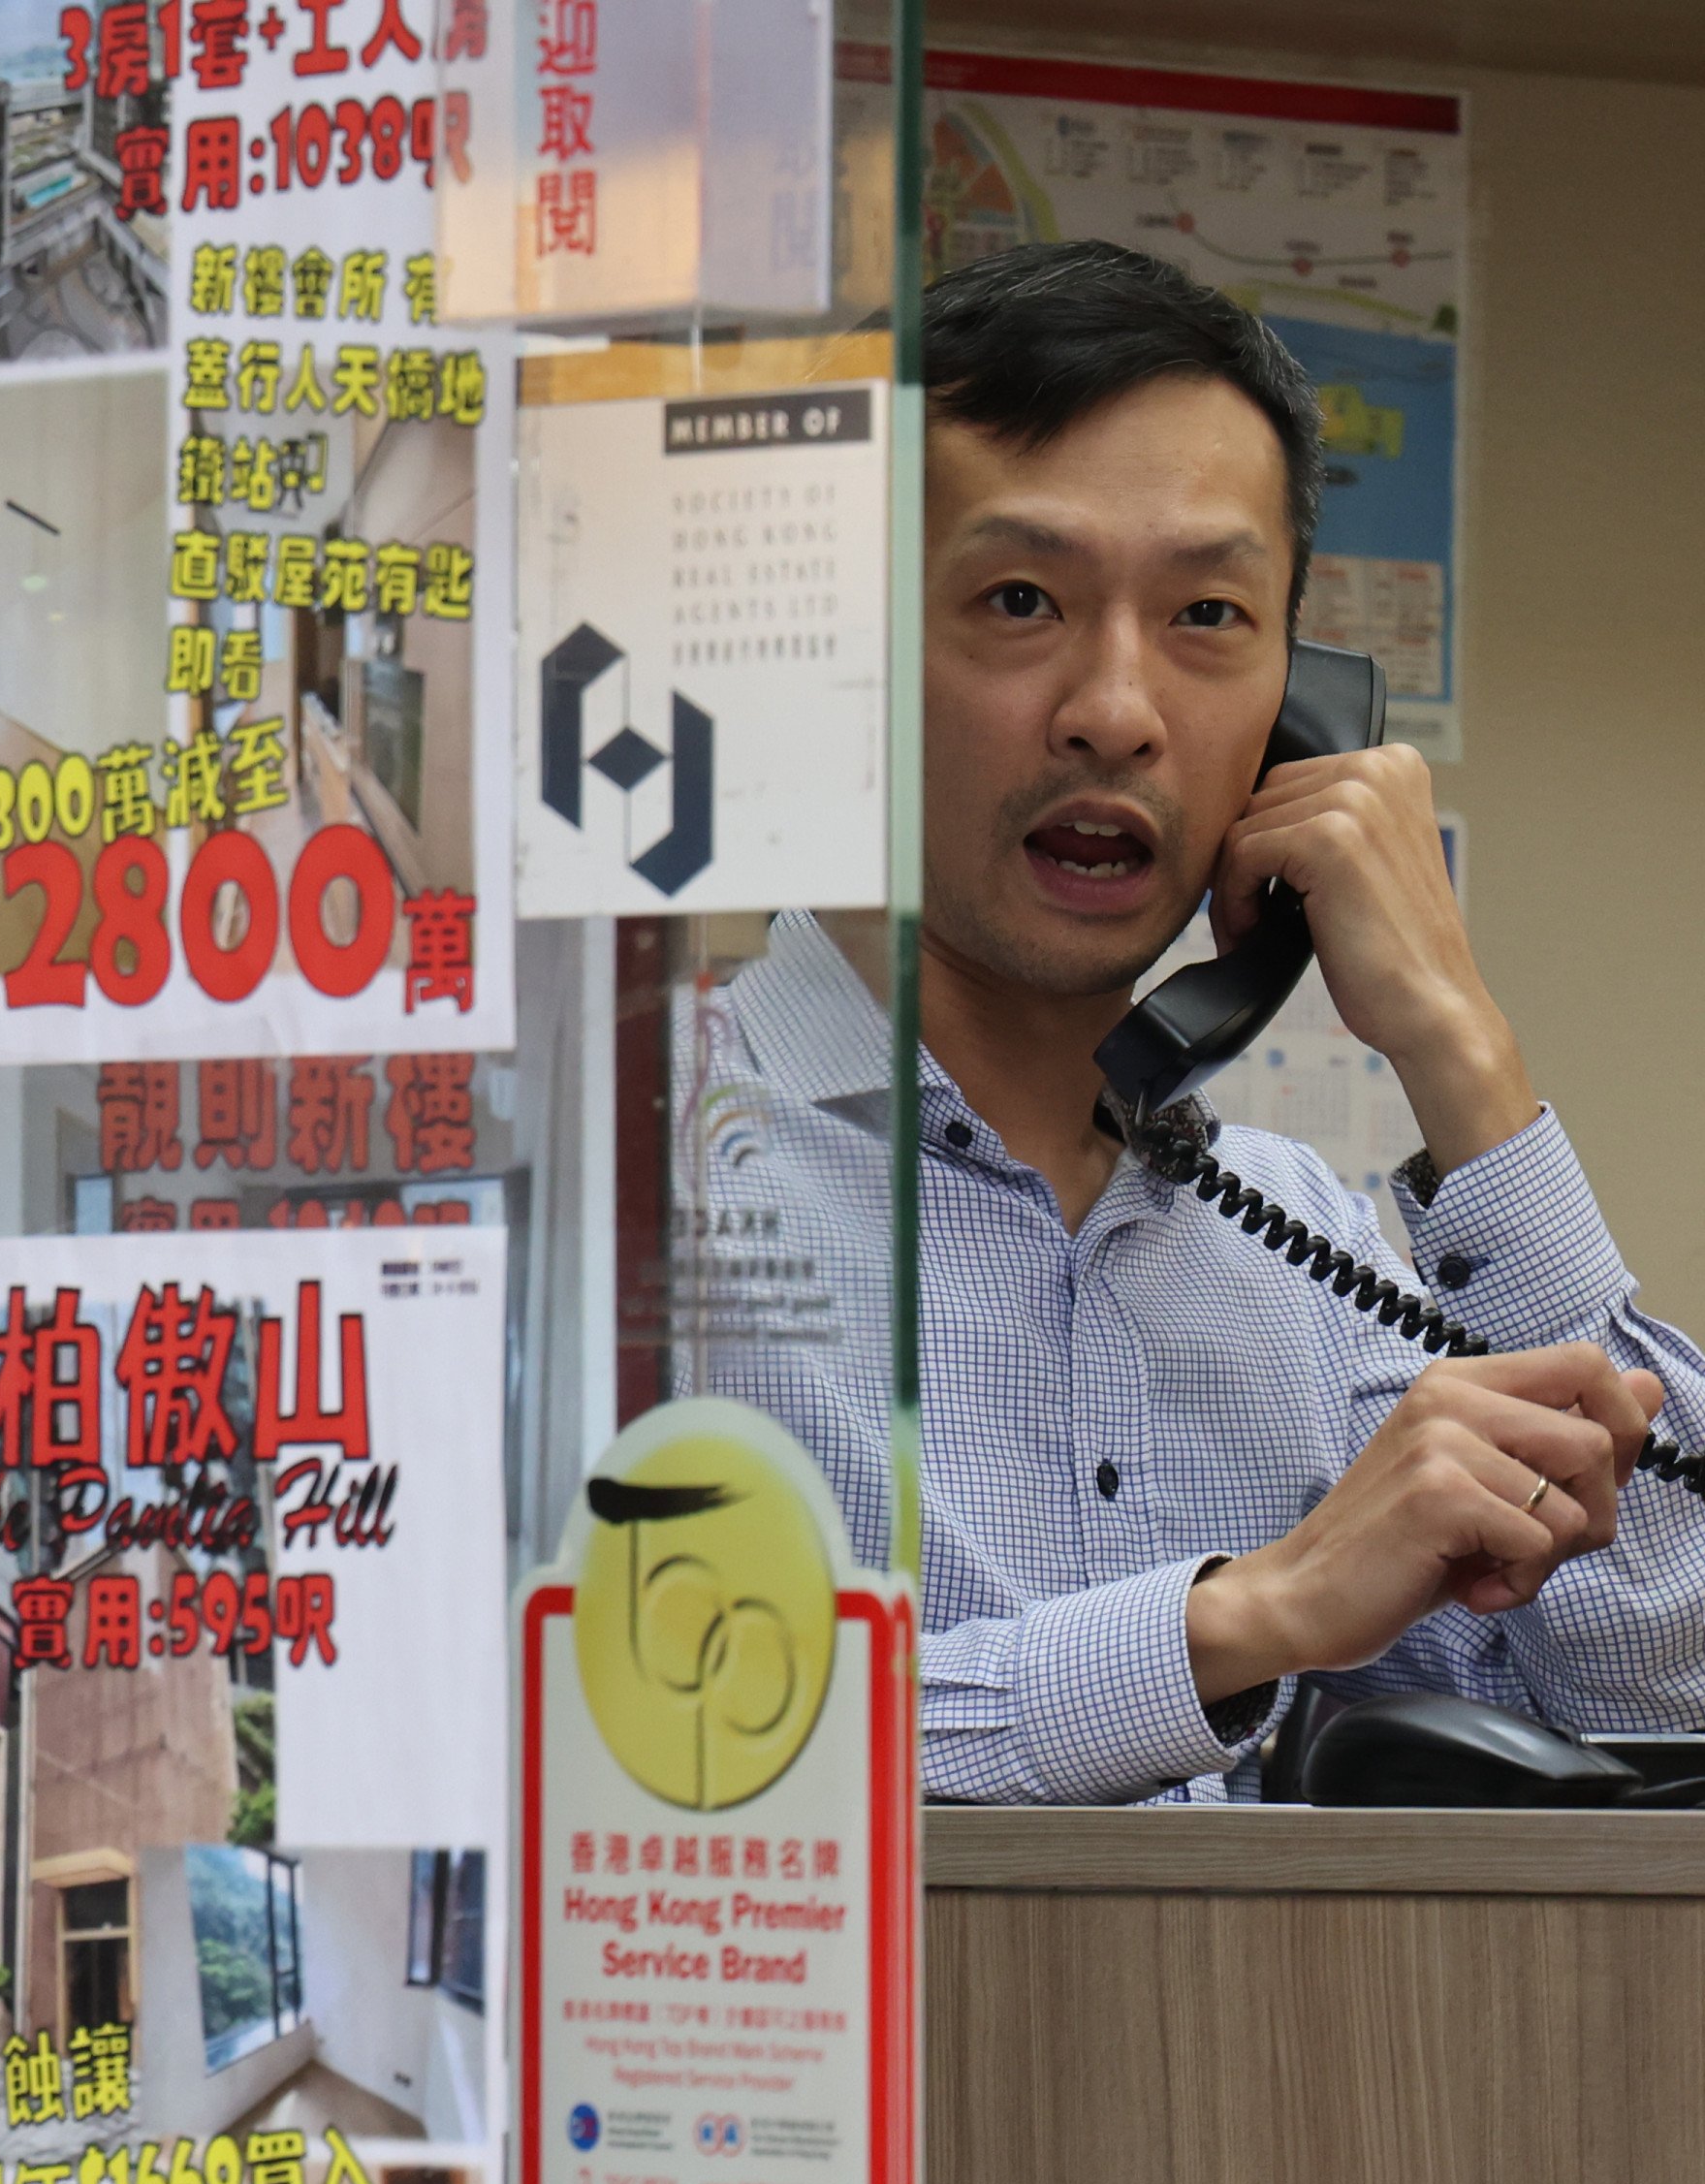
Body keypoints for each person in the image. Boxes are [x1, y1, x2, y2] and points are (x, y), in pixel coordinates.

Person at [704, 238, 1705, 1801]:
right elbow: (633, 1744)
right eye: (1021, 599)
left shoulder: (1307, 1260)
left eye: (1209, 618)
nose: (1117, 708)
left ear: (1302, 713)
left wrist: (1461, 1055)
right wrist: (1244, 1620)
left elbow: (1669, 1689)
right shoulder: (637, 1187)